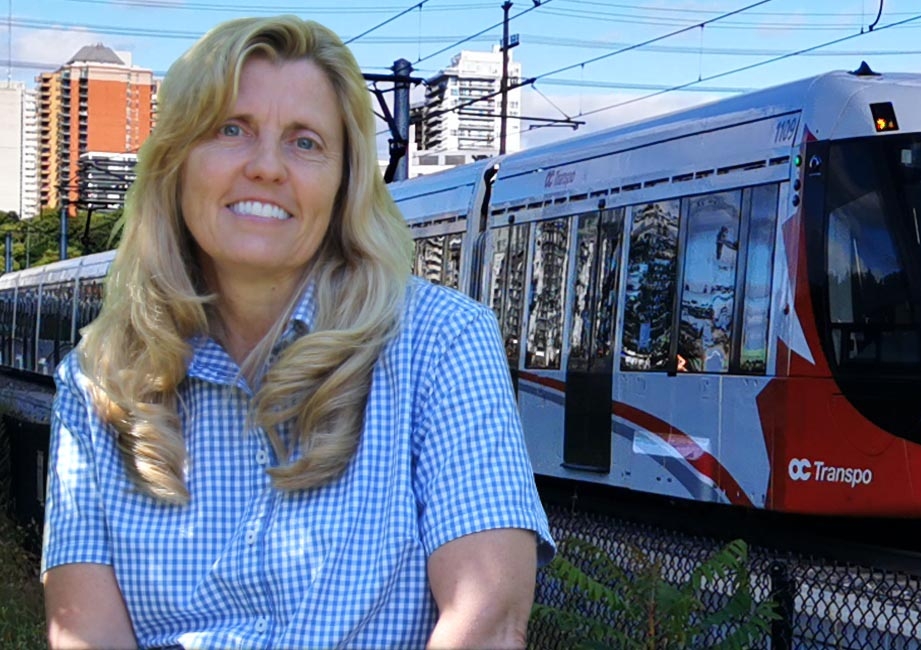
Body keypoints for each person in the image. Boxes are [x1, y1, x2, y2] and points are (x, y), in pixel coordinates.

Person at [41, 15, 553, 649]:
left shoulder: (442, 343)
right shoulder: (97, 381)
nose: (267, 167)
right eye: (231, 129)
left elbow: (488, 620)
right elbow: (84, 634)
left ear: (344, 184)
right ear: (175, 164)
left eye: (305, 142)